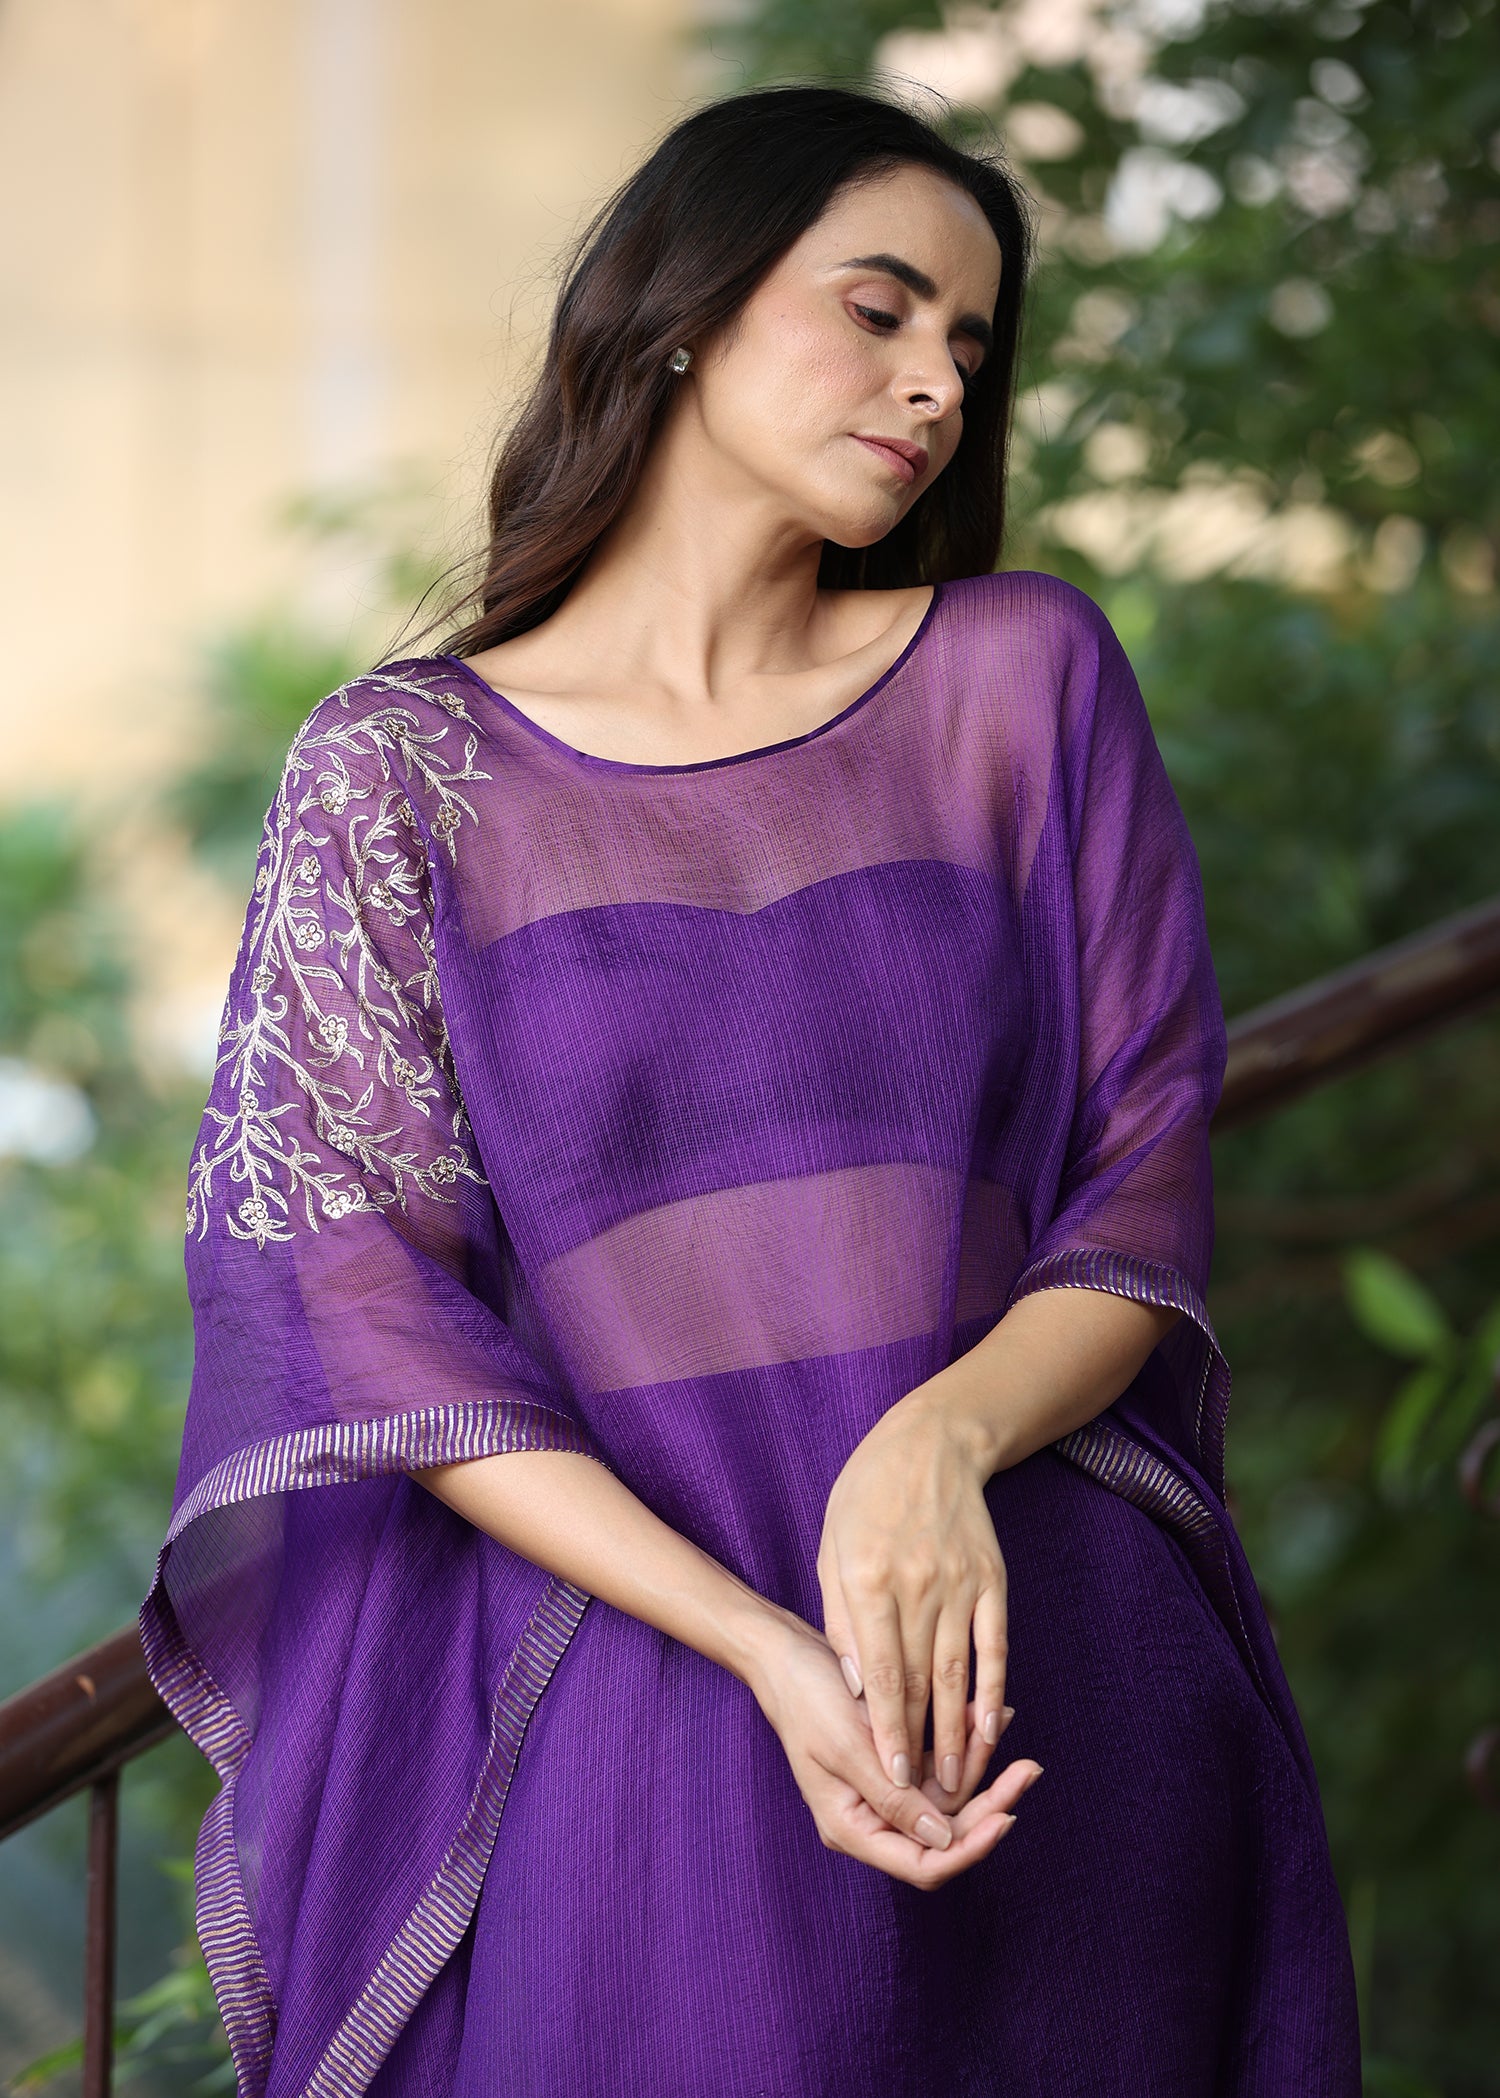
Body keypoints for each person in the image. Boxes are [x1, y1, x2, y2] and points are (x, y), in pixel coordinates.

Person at [143, 84, 1362, 2098]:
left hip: (1044, 1665)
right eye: (878, 312)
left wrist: (936, 1445)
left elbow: (1143, 1171)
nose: (937, 384)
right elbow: (359, 1303)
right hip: (654, 1703)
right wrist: (758, 1641)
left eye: (969, 344)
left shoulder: (1020, 681)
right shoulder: (401, 775)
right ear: (685, 311)